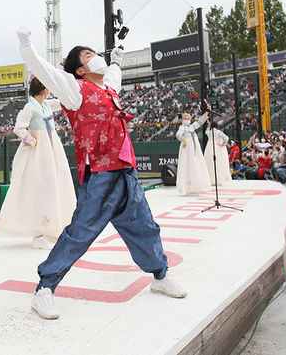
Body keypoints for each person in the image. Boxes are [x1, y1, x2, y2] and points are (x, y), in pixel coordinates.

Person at [16, 27, 186, 321]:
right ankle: (44, 289)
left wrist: (118, 61)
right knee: (80, 233)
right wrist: (26, 46)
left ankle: (160, 275)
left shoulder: (108, 89)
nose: (97, 57)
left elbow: (113, 79)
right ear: (81, 69)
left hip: (125, 171)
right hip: (101, 175)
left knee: (145, 227)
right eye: (89, 55)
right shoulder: (73, 89)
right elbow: (45, 71)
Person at [0, 76, 76, 249]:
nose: (50, 89)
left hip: (51, 147)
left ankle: (50, 229)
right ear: (43, 88)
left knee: (54, 183)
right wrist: (31, 140)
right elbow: (19, 128)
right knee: (40, 185)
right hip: (39, 150)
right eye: (48, 86)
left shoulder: (46, 105)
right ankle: (40, 233)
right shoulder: (30, 107)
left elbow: (63, 101)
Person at [175, 111, 211, 195]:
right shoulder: (182, 127)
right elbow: (178, 135)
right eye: (185, 119)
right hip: (187, 147)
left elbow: (199, 122)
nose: (187, 120)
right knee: (187, 164)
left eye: (188, 119)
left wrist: (206, 113)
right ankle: (187, 186)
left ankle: (195, 185)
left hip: (194, 147)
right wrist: (184, 140)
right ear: (182, 120)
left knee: (196, 163)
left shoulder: (192, 126)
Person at [203, 120, 232, 186]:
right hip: (217, 147)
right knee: (218, 163)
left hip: (209, 147)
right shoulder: (218, 132)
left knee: (210, 163)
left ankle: (211, 179)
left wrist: (208, 125)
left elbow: (206, 131)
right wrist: (223, 144)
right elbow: (226, 138)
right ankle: (218, 179)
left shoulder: (209, 132)